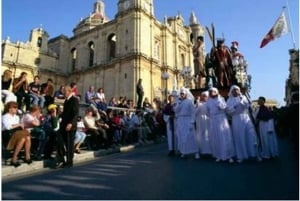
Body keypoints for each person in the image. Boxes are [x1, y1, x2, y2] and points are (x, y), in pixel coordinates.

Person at [226, 85, 261, 163]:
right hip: (236, 119)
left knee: (251, 135)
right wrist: (234, 107)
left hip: (246, 117)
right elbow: (228, 111)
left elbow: (248, 105)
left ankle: (256, 154)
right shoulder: (229, 100)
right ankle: (241, 156)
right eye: (234, 90)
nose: (236, 91)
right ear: (231, 91)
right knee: (239, 137)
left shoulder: (243, 97)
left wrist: (242, 101)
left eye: (237, 90)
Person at [206, 87, 235, 163]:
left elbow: (223, 107)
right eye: (210, 92)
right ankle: (218, 155)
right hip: (213, 120)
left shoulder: (221, 99)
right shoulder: (208, 101)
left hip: (221, 119)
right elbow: (207, 111)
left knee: (224, 136)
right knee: (216, 137)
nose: (211, 93)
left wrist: (219, 100)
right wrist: (212, 117)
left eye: (213, 92)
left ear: (216, 92)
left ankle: (228, 156)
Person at [55, 85, 79, 168]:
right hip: (63, 125)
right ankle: (61, 160)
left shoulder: (74, 100)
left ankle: (69, 162)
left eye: (64, 91)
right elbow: (66, 113)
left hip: (70, 126)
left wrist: (71, 123)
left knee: (69, 144)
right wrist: (60, 115)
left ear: (68, 91)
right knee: (59, 141)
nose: (63, 92)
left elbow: (75, 113)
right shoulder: (66, 101)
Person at [2, 101, 32, 167]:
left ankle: (25, 156)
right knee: (26, 135)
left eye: (16, 107)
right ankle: (18, 157)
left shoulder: (16, 117)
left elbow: (18, 126)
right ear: (10, 108)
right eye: (15, 107)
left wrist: (20, 125)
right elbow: (8, 127)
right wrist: (18, 124)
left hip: (17, 133)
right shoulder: (4, 117)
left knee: (26, 138)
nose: (16, 109)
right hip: (7, 134)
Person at [173, 87, 198, 159]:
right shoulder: (179, 102)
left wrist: (192, 121)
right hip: (181, 120)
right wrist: (177, 104)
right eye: (181, 94)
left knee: (190, 136)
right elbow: (176, 111)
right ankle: (183, 151)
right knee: (182, 136)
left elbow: (193, 112)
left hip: (188, 120)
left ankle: (195, 152)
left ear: (186, 94)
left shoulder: (190, 102)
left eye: (183, 94)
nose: (181, 95)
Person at [195, 91, 212, 157]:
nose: (204, 97)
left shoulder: (209, 103)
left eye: (206, 96)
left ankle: (209, 151)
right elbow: (195, 112)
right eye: (203, 96)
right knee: (200, 134)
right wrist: (197, 104)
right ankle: (199, 151)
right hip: (200, 120)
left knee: (208, 134)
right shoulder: (199, 104)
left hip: (208, 120)